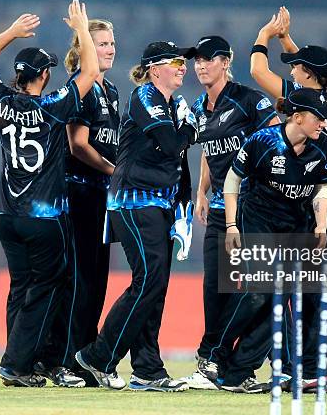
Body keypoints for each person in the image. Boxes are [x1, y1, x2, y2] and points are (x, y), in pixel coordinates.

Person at [0, 0, 99, 387]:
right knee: (47, 289)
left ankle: (18, 359)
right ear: (44, 75)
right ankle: (17, 364)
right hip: (44, 218)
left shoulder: (1, 101)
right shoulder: (53, 106)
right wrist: (81, 28)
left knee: (21, 287)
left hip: (7, 216)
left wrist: (11, 32)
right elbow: (91, 70)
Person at [75, 41, 198, 392]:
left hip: (159, 203)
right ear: (154, 68)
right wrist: (191, 126)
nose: (182, 67)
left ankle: (147, 370)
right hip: (132, 201)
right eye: (175, 61)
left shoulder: (173, 104)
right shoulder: (145, 96)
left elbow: (178, 161)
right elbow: (174, 145)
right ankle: (98, 356)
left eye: (183, 62)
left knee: (155, 285)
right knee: (149, 280)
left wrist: (183, 205)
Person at [250, 6, 327, 391]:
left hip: (325, 200)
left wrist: (264, 35)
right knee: (321, 287)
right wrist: (287, 41)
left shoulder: (305, 99)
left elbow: (257, 72)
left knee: (315, 289)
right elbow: (309, 65)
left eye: (295, 66)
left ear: (307, 75)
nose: (290, 69)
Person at [218, 87, 327, 392]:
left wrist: (321, 225)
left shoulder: (324, 145)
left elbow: (323, 187)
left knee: (276, 296)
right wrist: (232, 225)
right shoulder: (263, 141)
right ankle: (214, 354)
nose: (324, 123)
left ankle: (235, 373)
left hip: (295, 223)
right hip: (258, 217)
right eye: (319, 118)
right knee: (260, 292)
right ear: (297, 117)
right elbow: (233, 180)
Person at [179, 35, 280, 392]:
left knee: (251, 290)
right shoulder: (198, 107)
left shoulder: (250, 100)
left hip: (251, 209)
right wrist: (201, 190)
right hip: (219, 210)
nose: (200, 65)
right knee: (214, 289)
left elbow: (274, 143)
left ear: (225, 61)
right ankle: (211, 361)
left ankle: (231, 363)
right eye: (197, 61)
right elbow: (209, 149)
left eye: (208, 59)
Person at [62, 19, 119, 385]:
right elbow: (77, 144)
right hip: (80, 192)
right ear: (85, 49)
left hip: (102, 195)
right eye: (101, 44)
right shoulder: (79, 89)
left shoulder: (111, 90)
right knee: (80, 279)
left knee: (97, 281)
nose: (110, 48)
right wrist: (116, 171)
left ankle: (84, 359)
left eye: (112, 42)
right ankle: (66, 361)